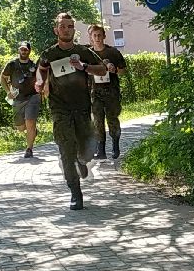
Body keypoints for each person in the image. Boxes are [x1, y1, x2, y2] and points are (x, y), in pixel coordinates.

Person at [37, 12, 103, 210]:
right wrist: (40, 82)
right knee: (66, 150)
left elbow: (102, 69)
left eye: (70, 26)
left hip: (82, 108)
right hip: (60, 109)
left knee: (87, 150)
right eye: (62, 26)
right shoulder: (49, 54)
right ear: (56, 30)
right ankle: (75, 192)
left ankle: (82, 160)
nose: (66, 30)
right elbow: (41, 69)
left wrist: (84, 67)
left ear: (74, 30)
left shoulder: (83, 51)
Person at [86, 23, 129, 160]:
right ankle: (101, 150)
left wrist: (115, 70)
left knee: (112, 119)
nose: (97, 38)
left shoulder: (113, 52)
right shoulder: (87, 54)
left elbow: (124, 70)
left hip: (111, 92)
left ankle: (115, 146)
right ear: (91, 37)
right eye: (94, 35)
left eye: (99, 35)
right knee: (97, 120)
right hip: (95, 92)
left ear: (104, 36)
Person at [0, 40, 41, 158]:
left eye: (25, 49)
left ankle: (29, 149)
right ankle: (33, 131)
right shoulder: (12, 64)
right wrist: (8, 92)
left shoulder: (33, 65)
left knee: (30, 122)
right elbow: (2, 78)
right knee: (20, 127)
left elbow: (40, 78)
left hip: (32, 97)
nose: (23, 51)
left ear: (29, 51)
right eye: (21, 49)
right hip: (18, 99)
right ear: (18, 50)